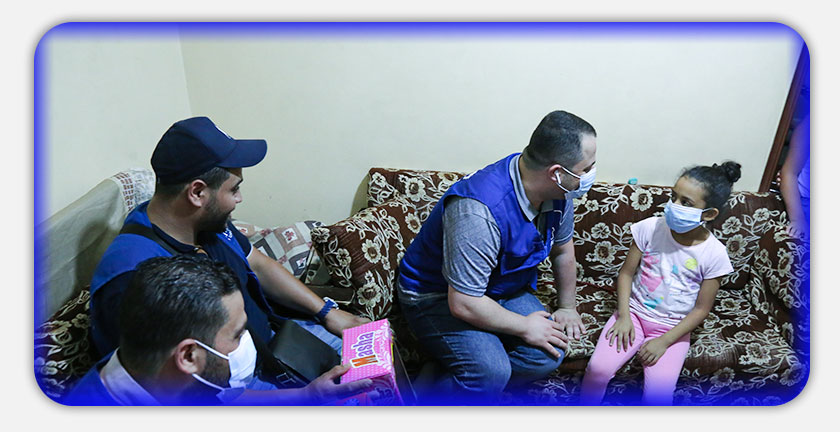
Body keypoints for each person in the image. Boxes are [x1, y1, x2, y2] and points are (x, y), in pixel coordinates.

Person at [88, 116, 368, 386]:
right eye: (234, 189)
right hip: (237, 385)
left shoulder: (201, 222)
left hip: (281, 343)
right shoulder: (134, 278)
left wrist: (328, 312)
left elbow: (257, 263)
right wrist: (306, 397)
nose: (239, 199)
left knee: (375, 356)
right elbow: (176, 394)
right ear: (197, 193)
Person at [397, 110, 597, 404]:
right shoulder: (478, 212)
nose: (590, 176)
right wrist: (525, 327)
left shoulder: (558, 192)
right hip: (438, 295)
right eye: (586, 169)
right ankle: (430, 392)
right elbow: (464, 301)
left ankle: (449, 370)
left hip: (500, 285)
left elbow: (562, 249)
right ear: (556, 172)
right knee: (492, 373)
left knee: (548, 354)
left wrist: (568, 306)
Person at [66, 255, 373, 405]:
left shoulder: (166, 375)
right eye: (237, 334)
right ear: (189, 355)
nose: (247, 342)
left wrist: (308, 395)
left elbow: (229, 400)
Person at [579, 161, 739, 405]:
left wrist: (664, 341)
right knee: (597, 370)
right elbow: (626, 274)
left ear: (708, 214)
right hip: (634, 314)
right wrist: (624, 316)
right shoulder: (650, 228)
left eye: (686, 203)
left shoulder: (714, 254)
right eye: (674, 197)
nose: (674, 206)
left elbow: (701, 309)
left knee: (659, 396)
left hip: (672, 328)